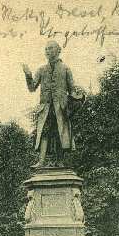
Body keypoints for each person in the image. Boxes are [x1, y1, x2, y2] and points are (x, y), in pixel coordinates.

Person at [22, 40, 83, 168]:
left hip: (61, 108)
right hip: (46, 108)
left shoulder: (66, 69)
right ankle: (41, 161)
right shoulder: (41, 69)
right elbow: (32, 88)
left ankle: (59, 161)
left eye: (50, 48)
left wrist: (77, 99)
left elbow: (71, 89)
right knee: (44, 131)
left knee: (59, 133)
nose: (47, 51)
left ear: (58, 50)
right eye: (46, 49)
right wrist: (28, 75)